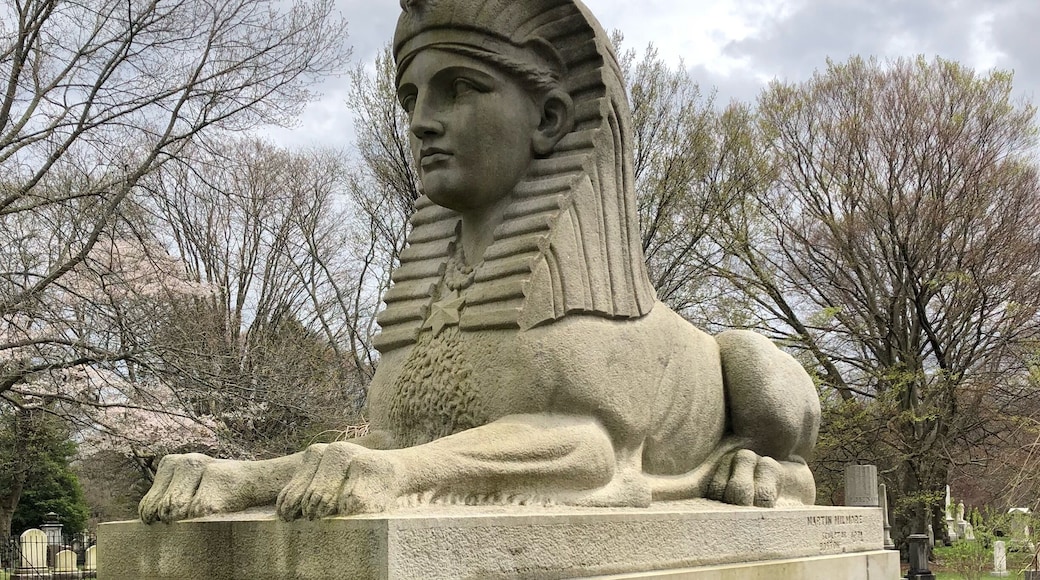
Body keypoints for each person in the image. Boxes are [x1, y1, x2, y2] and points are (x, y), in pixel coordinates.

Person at [138, 0, 820, 524]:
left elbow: (586, 454)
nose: (420, 122)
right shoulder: (432, 298)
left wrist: (394, 473)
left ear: (551, 118)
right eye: (412, 98)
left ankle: (780, 471)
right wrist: (239, 478)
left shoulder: (581, 316)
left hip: (699, 418)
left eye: (458, 88)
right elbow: (386, 445)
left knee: (751, 358)